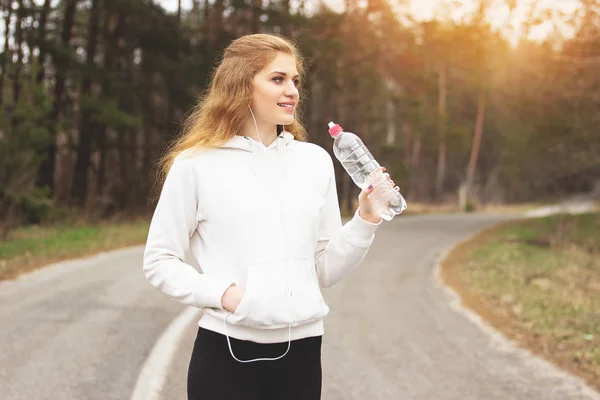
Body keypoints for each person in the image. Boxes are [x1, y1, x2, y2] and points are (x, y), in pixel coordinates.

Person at [143, 33, 397, 400]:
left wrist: (365, 219)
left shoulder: (314, 161)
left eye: (295, 80)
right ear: (241, 86)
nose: (292, 90)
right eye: (277, 79)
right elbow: (158, 260)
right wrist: (226, 295)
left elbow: (323, 269)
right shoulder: (196, 165)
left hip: (303, 355)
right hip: (227, 355)